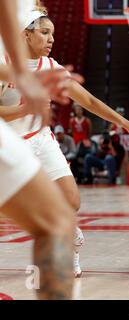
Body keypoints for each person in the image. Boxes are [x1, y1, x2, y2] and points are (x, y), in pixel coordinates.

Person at [0, 3, 129, 277]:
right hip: (9, 144)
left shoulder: (51, 67)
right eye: (45, 33)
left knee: (72, 201)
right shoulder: (4, 64)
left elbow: (89, 100)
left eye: (53, 34)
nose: (51, 39)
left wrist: (126, 124)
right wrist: (24, 109)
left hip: (40, 138)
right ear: (26, 34)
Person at [0, 0, 80, 299]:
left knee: (59, 218)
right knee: (56, 221)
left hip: (29, 137)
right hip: (15, 132)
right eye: (44, 32)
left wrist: (25, 77)